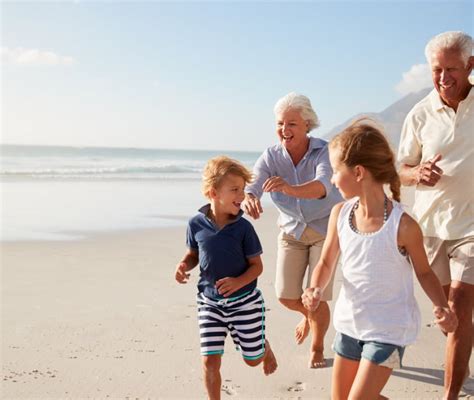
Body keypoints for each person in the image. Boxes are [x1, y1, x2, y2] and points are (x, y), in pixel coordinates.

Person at [302, 121, 458, 399]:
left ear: (358, 172)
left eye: (336, 171)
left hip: (389, 330)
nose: (333, 179)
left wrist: (442, 306)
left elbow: (424, 272)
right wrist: (315, 287)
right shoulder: (340, 214)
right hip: (350, 324)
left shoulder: (404, 226)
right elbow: (326, 262)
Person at [398, 31, 473, 399]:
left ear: (471, 66)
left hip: (472, 227)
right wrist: (417, 174)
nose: (444, 78)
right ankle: (463, 343)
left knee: (459, 307)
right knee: (450, 320)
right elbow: (399, 169)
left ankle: (450, 395)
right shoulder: (420, 114)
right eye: (437, 70)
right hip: (430, 228)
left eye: (452, 69)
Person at [242, 92, 342, 368]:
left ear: (307, 124)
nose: (284, 130)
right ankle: (309, 315)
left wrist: (288, 188)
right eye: (280, 124)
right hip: (292, 232)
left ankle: (317, 347)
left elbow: (323, 186)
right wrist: (250, 198)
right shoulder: (271, 156)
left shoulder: (324, 151)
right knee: (286, 296)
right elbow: (254, 183)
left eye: (292, 124)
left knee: (315, 295)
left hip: (326, 230)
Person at [175, 156, 277, 400]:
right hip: (209, 303)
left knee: (252, 360)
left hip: (245, 301)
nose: (241, 195)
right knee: (210, 360)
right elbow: (193, 255)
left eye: (242, 189)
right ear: (213, 192)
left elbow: (257, 267)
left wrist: (238, 282)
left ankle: (264, 347)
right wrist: (183, 265)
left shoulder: (243, 228)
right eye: (234, 190)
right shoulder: (196, 224)